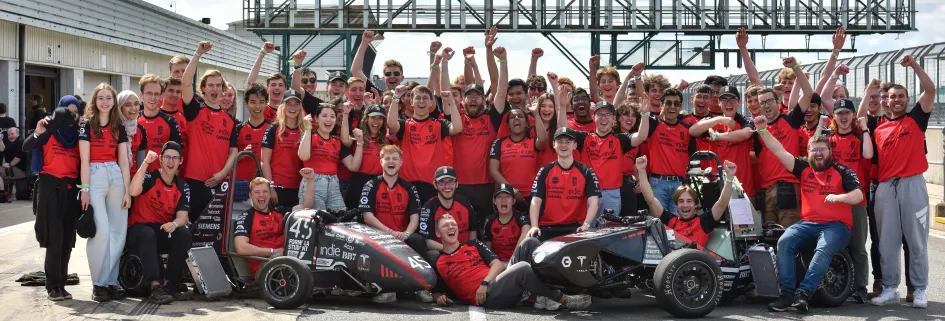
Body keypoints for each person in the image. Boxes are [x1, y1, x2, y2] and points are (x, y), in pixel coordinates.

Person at [754, 116, 863, 313]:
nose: (819, 153)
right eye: (815, 150)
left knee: (824, 248)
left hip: (836, 226)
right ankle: (787, 295)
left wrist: (839, 198)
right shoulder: (803, 168)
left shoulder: (842, 171)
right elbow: (779, 150)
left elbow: (858, 195)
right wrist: (762, 130)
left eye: (823, 149)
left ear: (830, 152)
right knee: (784, 242)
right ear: (809, 152)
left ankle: (803, 294)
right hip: (807, 224)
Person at [867, 54, 934, 308]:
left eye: (900, 96)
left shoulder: (916, 118)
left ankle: (918, 289)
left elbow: (929, 89)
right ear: (886, 101)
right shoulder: (879, 127)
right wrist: (871, 90)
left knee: (916, 241)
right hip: (886, 187)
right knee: (887, 241)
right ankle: (890, 287)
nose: (895, 100)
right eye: (891, 97)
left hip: (913, 185)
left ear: (907, 99)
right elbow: (862, 114)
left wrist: (915, 65)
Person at [430, 214, 592, 310]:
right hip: (490, 297)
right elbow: (436, 289)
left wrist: (485, 282)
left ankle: (545, 293)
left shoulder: (473, 245)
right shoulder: (439, 261)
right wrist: (439, 297)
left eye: (453, 224)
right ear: (438, 232)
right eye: (446, 226)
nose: (451, 227)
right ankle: (563, 299)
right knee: (522, 268)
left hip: (492, 283)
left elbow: (498, 265)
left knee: (530, 242)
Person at [79, 83, 132, 302]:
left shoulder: (118, 126)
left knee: (118, 232)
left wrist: (128, 191)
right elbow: (83, 159)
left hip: (116, 176)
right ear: (95, 100)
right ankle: (98, 283)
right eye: (100, 97)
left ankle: (111, 281)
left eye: (108, 98)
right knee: (101, 231)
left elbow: (123, 160)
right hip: (94, 175)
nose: (104, 102)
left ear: (113, 101)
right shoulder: (86, 125)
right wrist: (85, 190)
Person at [819, 99, 874, 302]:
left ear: (853, 116)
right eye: (839, 113)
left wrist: (865, 128)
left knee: (858, 246)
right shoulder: (828, 140)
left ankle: (861, 286)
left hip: (856, 201)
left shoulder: (859, 138)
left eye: (847, 113)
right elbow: (813, 152)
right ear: (834, 116)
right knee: (835, 245)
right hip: (833, 201)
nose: (843, 117)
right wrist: (820, 127)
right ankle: (839, 285)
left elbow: (868, 154)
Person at [25, 103, 80, 301]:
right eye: (69, 113)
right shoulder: (49, 131)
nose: (71, 118)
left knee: (67, 242)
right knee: (54, 240)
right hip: (51, 190)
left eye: (75, 114)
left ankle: (61, 285)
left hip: (71, 190)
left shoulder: (77, 136)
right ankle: (52, 286)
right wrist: (38, 133)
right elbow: (26, 146)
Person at [180, 41, 240, 222]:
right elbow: (185, 83)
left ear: (223, 89)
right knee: (195, 228)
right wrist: (198, 53)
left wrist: (223, 173)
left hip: (220, 182)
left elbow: (234, 152)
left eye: (218, 85)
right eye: (211, 85)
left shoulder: (229, 120)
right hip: (196, 181)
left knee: (216, 231)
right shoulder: (195, 110)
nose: (215, 89)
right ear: (203, 88)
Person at [126, 143, 192, 304]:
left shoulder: (182, 186)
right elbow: (133, 191)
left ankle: (170, 284)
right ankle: (155, 287)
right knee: (148, 234)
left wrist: (175, 224)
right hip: (139, 230)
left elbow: (182, 217)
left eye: (175, 158)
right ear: (161, 160)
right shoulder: (150, 177)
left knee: (183, 233)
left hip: (161, 230)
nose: (171, 161)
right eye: (167, 157)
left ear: (180, 161)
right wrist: (145, 163)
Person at [359, 145, 424, 303]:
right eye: (387, 158)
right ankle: (387, 289)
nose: (391, 161)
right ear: (381, 162)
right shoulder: (371, 185)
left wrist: (406, 234)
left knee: (418, 240)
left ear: (401, 162)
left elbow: (415, 218)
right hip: (378, 235)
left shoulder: (409, 188)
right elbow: (367, 217)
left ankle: (422, 288)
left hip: (402, 235)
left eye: (395, 158)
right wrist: (389, 232)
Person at [752, 60, 814, 227]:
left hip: (789, 186)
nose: (766, 105)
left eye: (769, 101)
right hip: (766, 190)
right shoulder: (757, 129)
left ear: (776, 100)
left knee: (789, 236)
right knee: (769, 239)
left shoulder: (791, 119)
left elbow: (808, 94)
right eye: (762, 102)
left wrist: (796, 68)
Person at [569, 100, 648, 226]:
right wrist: (561, 106)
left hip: (612, 194)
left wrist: (644, 114)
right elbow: (563, 131)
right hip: (588, 194)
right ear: (594, 117)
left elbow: (641, 137)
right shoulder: (585, 138)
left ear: (613, 118)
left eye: (607, 115)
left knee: (609, 234)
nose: (603, 118)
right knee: (587, 233)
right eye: (600, 114)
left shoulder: (620, 139)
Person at [387, 74, 462, 202]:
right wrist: (395, 97)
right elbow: (392, 124)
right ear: (411, 102)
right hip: (408, 184)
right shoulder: (405, 125)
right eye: (418, 98)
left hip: (432, 185)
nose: (421, 101)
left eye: (425, 98)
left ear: (431, 102)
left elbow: (457, 128)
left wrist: (451, 103)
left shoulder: (439, 124)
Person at [635, 156, 734, 247]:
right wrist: (642, 171)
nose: (685, 205)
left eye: (689, 201)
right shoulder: (671, 221)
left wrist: (729, 178)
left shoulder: (704, 222)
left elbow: (722, 203)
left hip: (695, 264)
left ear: (695, 204)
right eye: (681, 201)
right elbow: (650, 200)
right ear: (676, 205)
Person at [234, 169, 316, 276]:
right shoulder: (246, 217)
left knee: (314, 251)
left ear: (269, 194)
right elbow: (241, 247)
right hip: (264, 266)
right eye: (257, 192)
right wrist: (273, 252)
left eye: (265, 191)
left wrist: (310, 180)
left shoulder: (279, 213)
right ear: (250, 195)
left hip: (287, 259)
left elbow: (306, 206)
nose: (261, 195)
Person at [526, 127, 601, 241]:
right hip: (547, 227)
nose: (563, 145)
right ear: (553, 144)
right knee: (529, 242)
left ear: (575, 145)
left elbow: (594, 201)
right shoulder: (545, 171)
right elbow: (535, 201)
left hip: (575, 227)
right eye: (560, 142)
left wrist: (586, 224)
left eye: (568, 142)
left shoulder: (586, 172)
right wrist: (534, 226)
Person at [297, 103, 364, 210]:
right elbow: (304, 156)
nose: (329, 119)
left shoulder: (337, 141)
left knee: (340, 220)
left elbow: (353, 166)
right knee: (318, 222)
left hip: (334, 186)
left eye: (332, 116)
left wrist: (360, 143)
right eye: (324, 116)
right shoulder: (309, 136)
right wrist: (308, 128)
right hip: (313, 183)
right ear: (316, 119)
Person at [640, 87, 695, 214]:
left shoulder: (688, 129)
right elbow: (642, 99)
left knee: (679, 224)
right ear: (661, 105)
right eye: (668, 103)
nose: (672, 107)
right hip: (657, 183)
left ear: (680, 106)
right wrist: (637, 76)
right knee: (658, 225)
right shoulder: (654, 124)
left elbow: (692, 157)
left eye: (676, 104)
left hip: (680, 183)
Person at [489, 107, 548, 211]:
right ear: (508, 125)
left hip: (532, 195)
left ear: (526, 123)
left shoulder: (533, 142)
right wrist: (512, 191)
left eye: (520, 116)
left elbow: (543, 139)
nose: (516, 118)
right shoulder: (499, 143)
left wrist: (536, 114)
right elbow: (493, 171)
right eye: (512, 117)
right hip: (507, 196)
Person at [417, 166, 479, 251]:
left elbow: (473, 230)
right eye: (442, 182)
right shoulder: (428, 208)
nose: (447, 186)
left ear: (456, 184)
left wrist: (470, 249)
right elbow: (427, 241)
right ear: (435, 185)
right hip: (442, 252)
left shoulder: (464, 202)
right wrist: (451, 250)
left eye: (451, 182)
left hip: (465, 251)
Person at [261, 91, 305, 207]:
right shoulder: (273, 129)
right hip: (277, 187)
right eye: (288, 103)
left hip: (299, 188)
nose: (292, 107)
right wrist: (270, 188)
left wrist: (308, 125)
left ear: (300, 107)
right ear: (282, 106)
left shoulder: (305, 131)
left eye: (296, 104)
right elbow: (264, 161)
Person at [136, 75, 184, 173]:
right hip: (137, 178)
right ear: (141, 95)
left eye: (156, 94)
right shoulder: (134, 120)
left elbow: (177, 156)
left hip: (161, 179)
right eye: (149, 93)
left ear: (161, 96)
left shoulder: (170, 121)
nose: (153, 98)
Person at [233, 84, 270, 196]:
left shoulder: (273, 129)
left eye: (261, 102)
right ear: (246, 104)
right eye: (253, 102)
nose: (257, 106)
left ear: (266, 103)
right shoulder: (237, 129)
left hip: (264, 190)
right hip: (241, 188)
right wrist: (240, 156)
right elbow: (227, 159)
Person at [480, 184, 531, 262]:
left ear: (513, 200)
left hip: (517, 262)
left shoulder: (521, 217)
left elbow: (526, 233)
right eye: (499, 197)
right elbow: (488, 249)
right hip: (498, 263)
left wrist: (513, 260)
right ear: (494, 201)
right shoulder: (489, 221)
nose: (503, 200)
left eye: (507, 196)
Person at [116, 91, 146, 177]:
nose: (133, 108)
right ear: (120, 107)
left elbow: (140, 163)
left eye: (136, 104)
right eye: (128, 105)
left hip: (133, 179)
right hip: (114, 180)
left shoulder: (140, 130)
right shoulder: (113, 128)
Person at [1, 127, 26, 201]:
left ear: (17, 133)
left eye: (12, 134)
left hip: (20, 170)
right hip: (15, 169)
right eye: (9, 135)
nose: (10, 136)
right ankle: (8, 195)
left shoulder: (20, 142)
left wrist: (10, 165)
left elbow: (18, 157)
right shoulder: (12, 143)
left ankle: (3, 195)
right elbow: (3, 149)